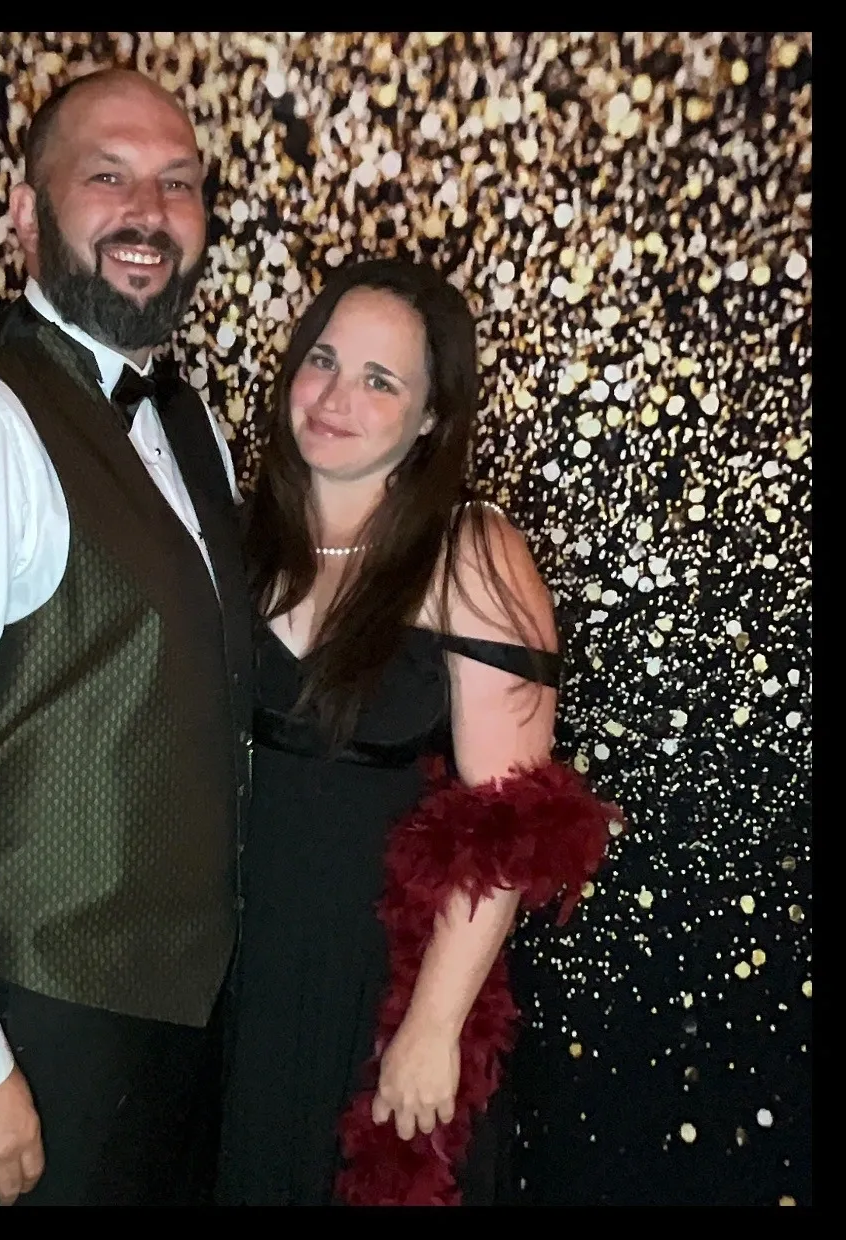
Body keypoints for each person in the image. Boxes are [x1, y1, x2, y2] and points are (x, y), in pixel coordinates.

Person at [0, 69, 253, 1208]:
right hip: (42, 1023)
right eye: (106, 175)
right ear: (26, 213)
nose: (148, 210)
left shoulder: (190, 424)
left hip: (195, 1021)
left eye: (178, 183)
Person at [215, 258, 618, 1206]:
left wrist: (433, 1026)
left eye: (379, 380)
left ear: (430, 418)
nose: (333, 396)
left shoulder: (469, 550)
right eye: (322, 360)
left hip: (378, 987)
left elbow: (513, 822)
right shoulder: (246, 541)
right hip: (241, 975)